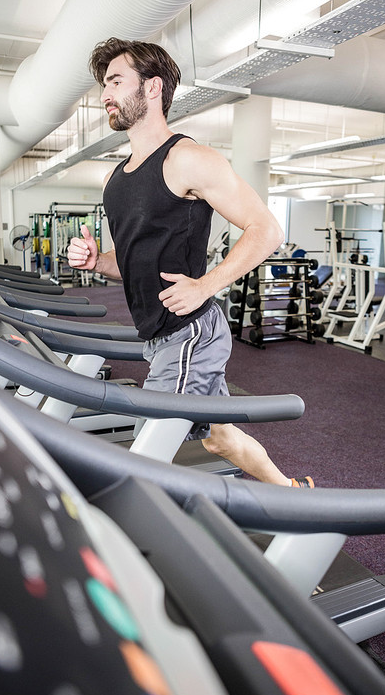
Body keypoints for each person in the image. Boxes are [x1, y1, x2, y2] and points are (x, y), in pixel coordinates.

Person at [67, 37, 313, 488]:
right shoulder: (115, 179)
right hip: (158, 334)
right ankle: (294, 494)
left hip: (190, 333)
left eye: (116, 81)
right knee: (221, 439)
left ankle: (133, 541)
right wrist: (97, 262)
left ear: (153, 87)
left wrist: (206, 285)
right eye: (104, 84)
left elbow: (267, 231)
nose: (105, 94)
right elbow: (135, 262)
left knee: (149, 451)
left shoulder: (189, 159)